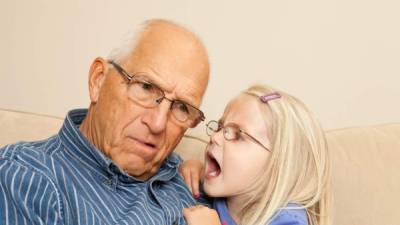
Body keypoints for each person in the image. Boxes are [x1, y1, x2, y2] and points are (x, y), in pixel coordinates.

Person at [0, 19, 210, 225]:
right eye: (145, 87)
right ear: (98, 80)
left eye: (182, 107)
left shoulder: (191, 178)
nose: (157, 124)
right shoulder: (24, 178)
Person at [180, 84, 332, 225]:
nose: (214, 137)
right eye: (220, 128)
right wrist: (196, 169)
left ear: (280, 164)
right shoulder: (226, 193)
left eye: (237, 135)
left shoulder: (289, 220)